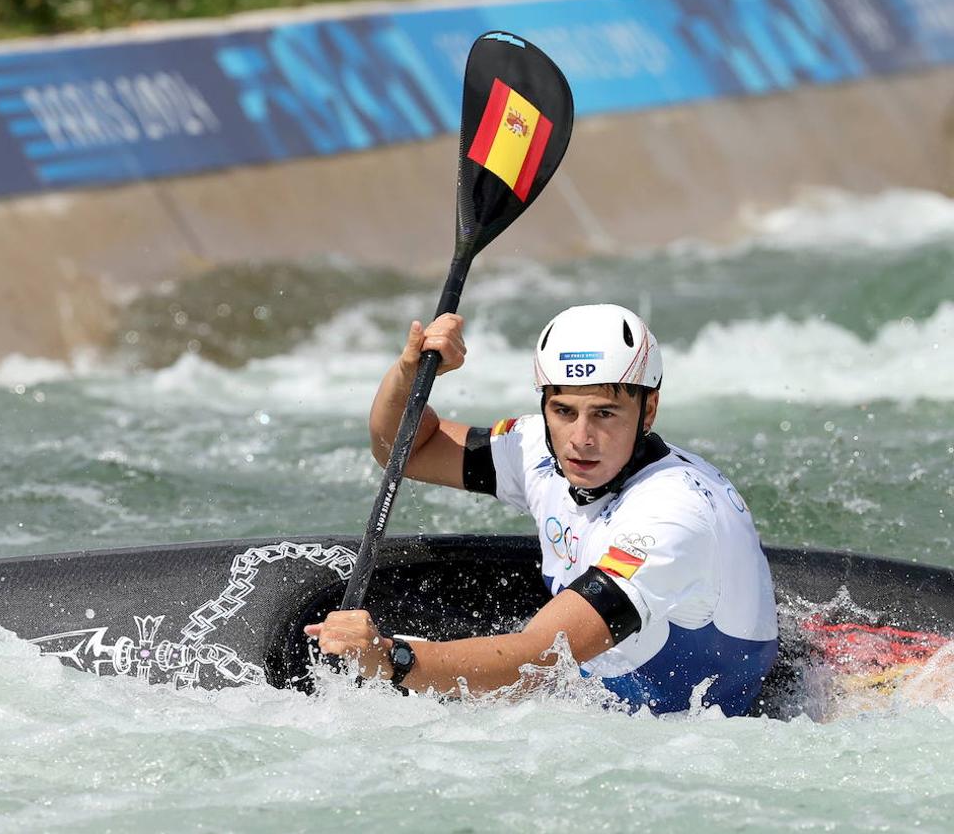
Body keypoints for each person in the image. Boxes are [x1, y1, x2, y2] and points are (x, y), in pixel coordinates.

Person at [305, 304, 778, 716]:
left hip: (693, 727)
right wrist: (411, 373)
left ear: (648, 410)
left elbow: (538, 661)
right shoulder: (536, 447)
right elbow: (401, 448)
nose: (581, 438)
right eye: (564, 411)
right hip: (599, 689)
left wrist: (392, 658)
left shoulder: (672, 516)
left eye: (605, 414)